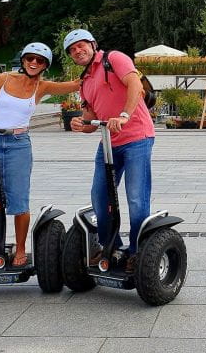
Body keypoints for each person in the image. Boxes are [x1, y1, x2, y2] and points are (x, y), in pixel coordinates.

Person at [0, 42, 80, 269]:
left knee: (19, 199)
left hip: (19, 144)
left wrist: (103, 65)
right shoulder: (3, 79)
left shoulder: (42, 87)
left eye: (40, 61)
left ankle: (22, 248)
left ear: (45, 65)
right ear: (23, 60)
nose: (34, 63)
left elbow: (75, 85)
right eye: (30, 59)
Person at [65, 28, 155, 275]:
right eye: (72, 50)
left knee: (136, 199)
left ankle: (137, 253)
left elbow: (136, 87)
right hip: (108, 143)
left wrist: (124, 115)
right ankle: (112, 248)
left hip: (137, 137)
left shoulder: (114, 58)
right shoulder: (85, 82)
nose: (77, 51)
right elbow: (90, 119)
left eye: (81, 45)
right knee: (100, 198)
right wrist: (80, 124)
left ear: (93, 45)